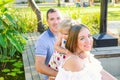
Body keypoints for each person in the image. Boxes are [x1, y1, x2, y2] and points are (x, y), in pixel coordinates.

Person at [35, 8, 62, 80]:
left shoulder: (67, 34)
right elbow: (39, 66)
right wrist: (61, 75)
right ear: (47, 21)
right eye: (52, 19)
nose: (56, 22)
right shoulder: (42, 40)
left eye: (58, 18)